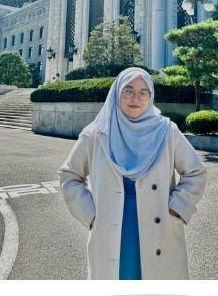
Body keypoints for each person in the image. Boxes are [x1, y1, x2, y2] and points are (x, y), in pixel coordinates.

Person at [58, 67, 206, 280]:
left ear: (151, 96)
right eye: (128, 91)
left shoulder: (166, 130)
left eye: (143, 93)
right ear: (116, 92)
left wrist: (178, 207)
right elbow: (69, 174)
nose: (136, 98)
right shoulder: (96, 133)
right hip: (111, 228)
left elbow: (196, 172)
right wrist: (90, 215)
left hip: (160, 230)